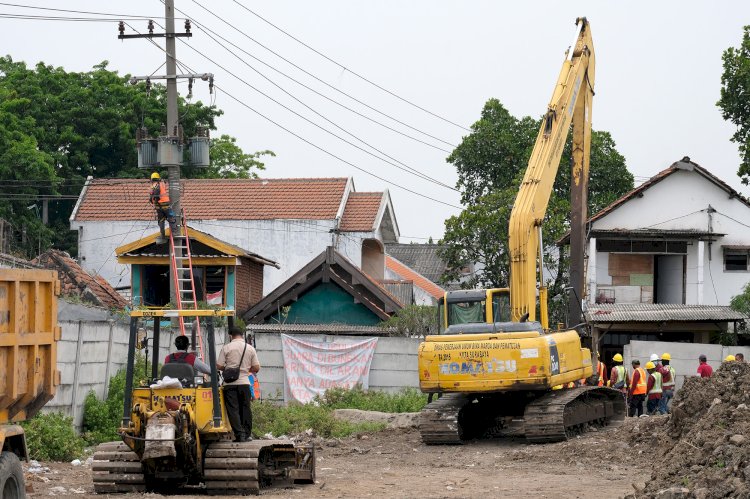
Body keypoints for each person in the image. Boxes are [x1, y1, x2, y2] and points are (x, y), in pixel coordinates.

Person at [218, 326, 260, 442]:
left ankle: (239, 434)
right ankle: (247, 434)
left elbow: (219, 365)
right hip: (244, 383)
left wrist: (229, 368)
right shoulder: (250, 348)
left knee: (233, 410)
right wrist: (245, 369)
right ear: (242, 335)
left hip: (229, 385)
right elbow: (256, 367)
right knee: (246, 408)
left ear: (230, 336)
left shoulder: (226, 348)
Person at [149, 172, 176, 243]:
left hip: (158, 207)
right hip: (165, 205)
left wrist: (153, 202)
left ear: (152, 180)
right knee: (171, 218)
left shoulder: (152, 186)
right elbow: (157, 194)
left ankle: (162, 235)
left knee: (161, 220)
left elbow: (151, 197)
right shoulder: (160, 184)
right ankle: (174, 233)